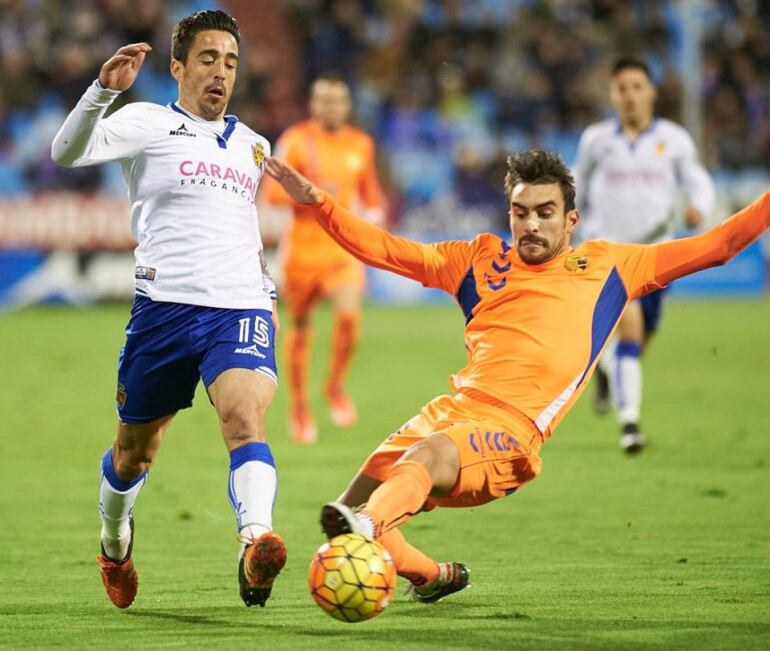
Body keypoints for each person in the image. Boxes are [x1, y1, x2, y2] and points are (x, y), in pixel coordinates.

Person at [265, 150, 768, 601]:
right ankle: (430, 574)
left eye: (545, 213)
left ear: (571, 219)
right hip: (451, 412)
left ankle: (369, 523)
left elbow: (720, 244)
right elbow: (388, 250)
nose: (531, 224)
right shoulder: (476, 259)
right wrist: (320, 204)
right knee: (342, 519)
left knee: (386, 496)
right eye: (520, 212)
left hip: (510, 433)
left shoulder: (612, 266)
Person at [51, 10, 287, 609]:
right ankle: (114, 542)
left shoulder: (253, 145)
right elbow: (65, 153)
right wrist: (104, 90)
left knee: (244, 421)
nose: (221, 73)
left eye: (231, 62)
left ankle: (255, 546)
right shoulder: (148, 122)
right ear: (178, 67)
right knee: (134, 454)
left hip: (237, 308)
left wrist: (268, 295)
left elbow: (245, 231)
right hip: (164, 310)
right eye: (208, 59)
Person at [574, 57, 715, 453]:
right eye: (622, 88)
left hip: (657, 257)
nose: (630, 96)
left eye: (637, 87)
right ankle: (630, 425)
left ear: (651, 91)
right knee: (630, 329)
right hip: (610, 255)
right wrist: (568, 228)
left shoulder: (674, 139)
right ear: (612, 94)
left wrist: (699, 207)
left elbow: (697, 180)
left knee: (639, 341)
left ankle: (603, 371)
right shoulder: (596, 140)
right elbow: (576, 186)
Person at [261, 74, 386, 444]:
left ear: (348, 106)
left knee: (349, 316)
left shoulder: (361, 144)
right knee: (300, 330)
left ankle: (334, 386)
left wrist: (376, 215)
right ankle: (299, 406)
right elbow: (272, 195)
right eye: (324, 100)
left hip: (341, 248)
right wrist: (309, 194)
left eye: (338, 100)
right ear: (313, 105)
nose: (332, 107)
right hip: (301, 251)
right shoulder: (296, 141)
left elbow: (372, 192)